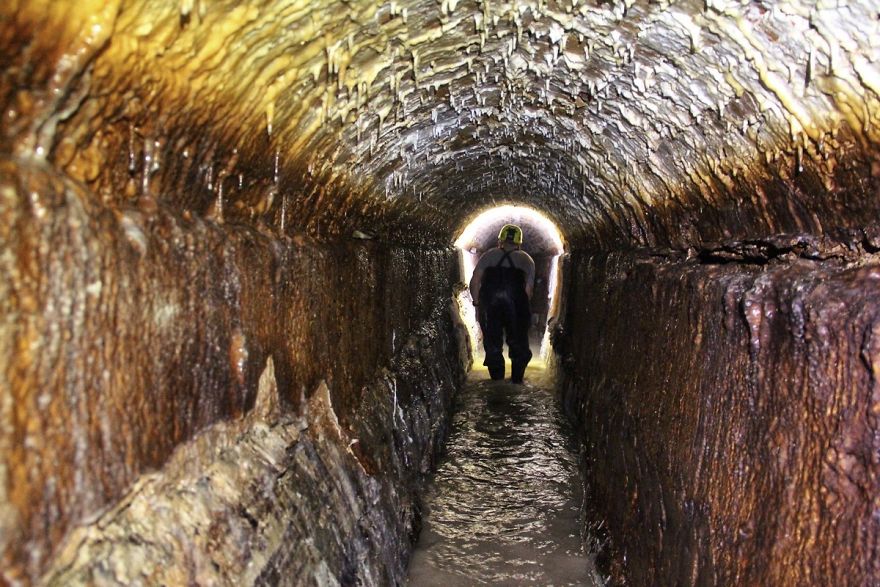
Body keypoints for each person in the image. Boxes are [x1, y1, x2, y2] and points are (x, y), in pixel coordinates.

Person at [469, 224, 536, 383]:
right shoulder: (527, 259)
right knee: (518, 343)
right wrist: (523, 310)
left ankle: (497, 384)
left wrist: (477, 303)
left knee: (492, 344)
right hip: (516, 303)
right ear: (519, 242)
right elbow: (528, 290)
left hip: (490, 303)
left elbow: (475, 281)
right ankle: (516, 382)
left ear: (500, 240)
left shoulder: (488, 255)